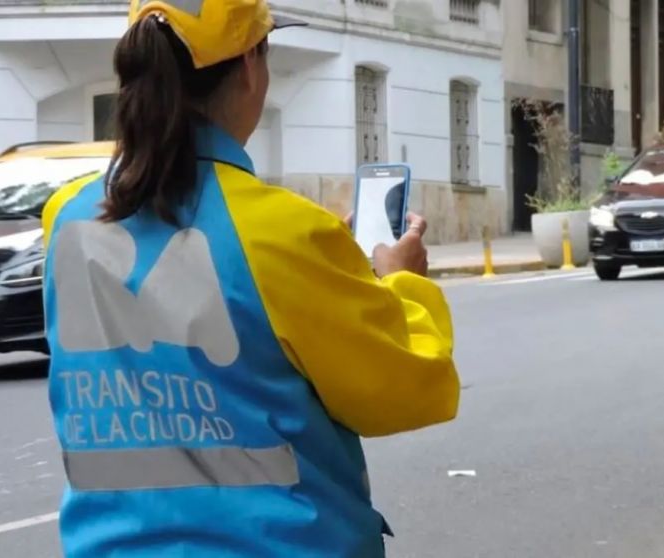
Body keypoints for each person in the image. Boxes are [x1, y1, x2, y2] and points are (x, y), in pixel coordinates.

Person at [40, 0, 460, 556]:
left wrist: (314, 261)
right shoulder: (283, 234)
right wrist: (403, 282)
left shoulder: (65, 216)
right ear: (248, 67)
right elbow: (407, 392)